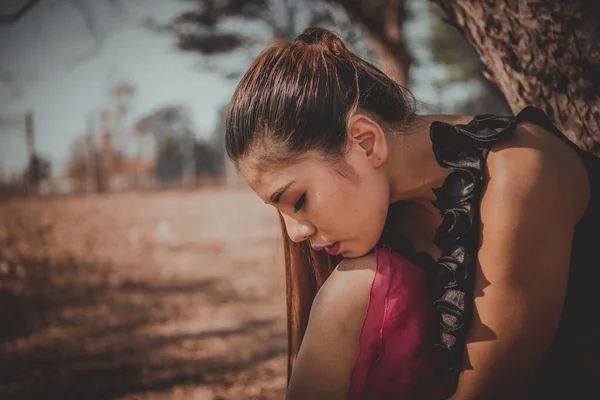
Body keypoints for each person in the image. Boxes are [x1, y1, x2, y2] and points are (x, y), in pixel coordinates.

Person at [224, 26, 600, 399]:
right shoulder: (386, 220)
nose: (294, 234)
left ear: (366, 142)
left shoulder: (520, 174)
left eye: (299, 199)